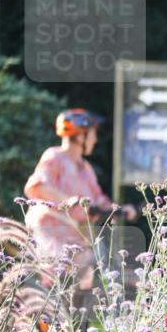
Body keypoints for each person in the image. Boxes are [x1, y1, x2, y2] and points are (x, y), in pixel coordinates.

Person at [23, 108, 135, 290]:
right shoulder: (55, 157)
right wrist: (68, 201)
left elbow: (99, 199)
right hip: (51, 231)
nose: (95, 140)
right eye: (92, 135)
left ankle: (74, 316)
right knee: (58, 278)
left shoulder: (85, 168)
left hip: (76, 236)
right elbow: (35, 187)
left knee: (84, 285)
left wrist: (120, 209)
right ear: (80, 136)